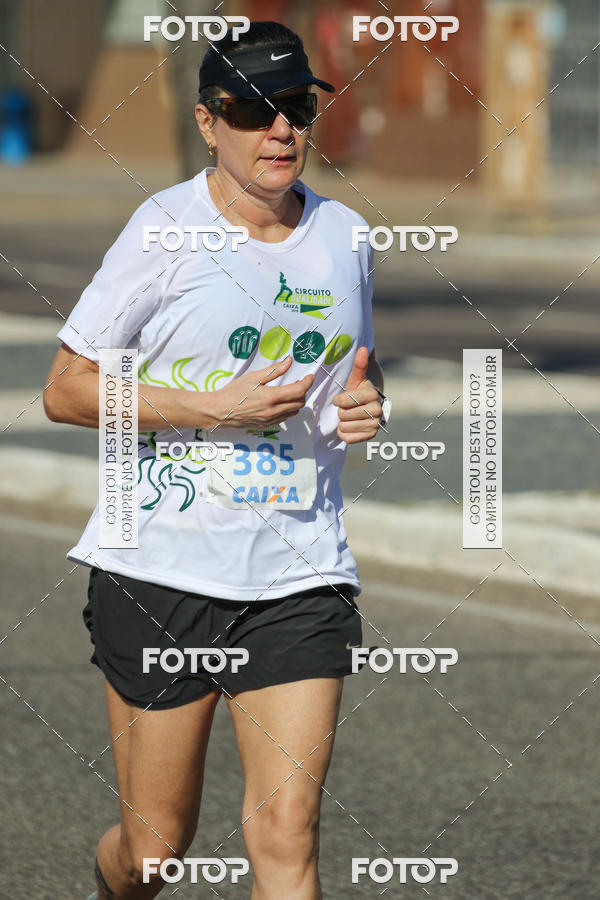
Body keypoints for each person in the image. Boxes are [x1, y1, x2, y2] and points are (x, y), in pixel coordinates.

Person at [44, 20, 385, 900]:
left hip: (299, 575)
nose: (280, 130)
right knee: (155, 854)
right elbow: (68, 390)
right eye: (252, 109)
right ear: (208, 122)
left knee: (287, 834)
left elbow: (356, 364)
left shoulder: (347, 235)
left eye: (298, 107)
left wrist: (366, 402)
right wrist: (213, 407)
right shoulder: (164, 230)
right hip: (160, 573)